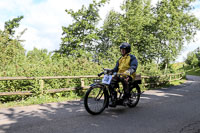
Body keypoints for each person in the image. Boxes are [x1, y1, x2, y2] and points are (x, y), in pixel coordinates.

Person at [109, 42, 138, 107]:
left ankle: (126, 98)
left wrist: (128, 72)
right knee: (111, 82)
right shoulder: (120, 59)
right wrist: (111, 71)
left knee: (125, 80)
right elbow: (116, 68)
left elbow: (133, 67)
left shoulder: (132, 57)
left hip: (129, 75)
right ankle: (114, 99)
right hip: (119, 74)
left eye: (123, 49)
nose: (122, 51)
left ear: (127, 50)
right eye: (121, 49)